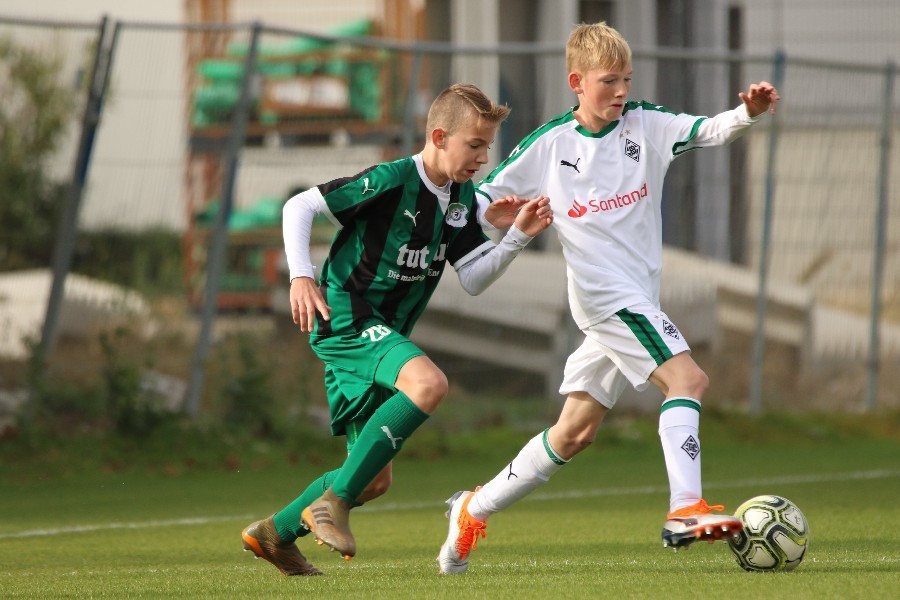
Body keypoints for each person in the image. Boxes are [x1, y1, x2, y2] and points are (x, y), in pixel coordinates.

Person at [437, 21, 781, 574]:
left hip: (635, 296)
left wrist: (749, 113)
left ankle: (472, 510)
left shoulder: (645, 124)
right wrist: (493, 218)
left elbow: (711, 129)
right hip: (604, 296)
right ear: (577, 81)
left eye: (625, 79)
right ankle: (684, 509)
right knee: (687, 380)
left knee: (573, 433)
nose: (620, 91)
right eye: (607, 81)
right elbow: (480, 197)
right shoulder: (549, 144)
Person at [240, 83, 553, 576]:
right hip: (347, 318)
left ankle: (275, 535)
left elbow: (472, 277)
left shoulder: (458, 199)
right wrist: (301, 275)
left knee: (374, 481)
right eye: (474, 145)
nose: (482, 158)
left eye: (487, 148)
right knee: (429, 383)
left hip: (379, 334)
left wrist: (513, 237)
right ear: (439, 136)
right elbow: (300, 206)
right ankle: (331, 504)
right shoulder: (391, 180)